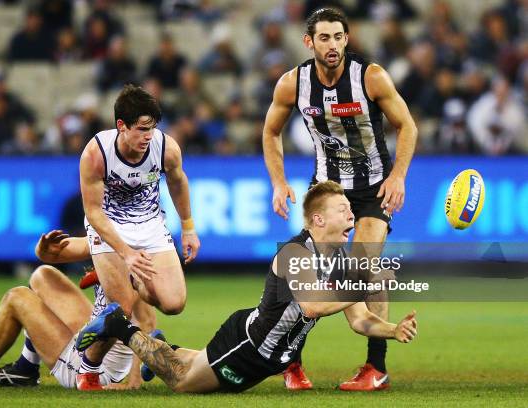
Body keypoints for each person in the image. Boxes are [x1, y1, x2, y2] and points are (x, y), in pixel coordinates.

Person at [74, 181, 418, 394]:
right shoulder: (294, 252)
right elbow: (313, 306)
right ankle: (118, 325)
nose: (351, 218)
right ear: (318, 219)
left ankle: (161, 347)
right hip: (248, 346)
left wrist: (392, 329)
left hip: (267, 358)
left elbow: (358, 319)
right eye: (343, 211)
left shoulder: (338, 260)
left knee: (193, 368)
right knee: (181, 382)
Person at [262, 8, 417, 391]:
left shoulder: (371, 77)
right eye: (325, 38)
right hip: (326, 189)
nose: (332, 45)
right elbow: (270, 132)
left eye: (339, 37)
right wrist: (279, 183)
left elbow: (407, 125)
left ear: (347, 39)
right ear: (309, 42)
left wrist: (398, 176)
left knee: (366, 266)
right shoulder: (292, 83)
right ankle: (291, 363)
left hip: (372, 188)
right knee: (299, 271)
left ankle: (375, 368)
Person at [78, 84, 200, 389]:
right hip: (109, 228)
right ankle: (88, 371)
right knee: (121, 309)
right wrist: (126, 254)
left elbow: (178, 181)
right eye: (142, 129)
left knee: (174, 303)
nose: (149, 135)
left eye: (153, 128)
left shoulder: (165, 147)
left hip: (150, 225)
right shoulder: (96, 154)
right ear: (121, 126)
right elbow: (93, 213)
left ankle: (130, 284)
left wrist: (188, 226)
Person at [0, 245, 133, 388]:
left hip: (93, 367)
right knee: (43, 275)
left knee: (17, 297)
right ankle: (26, 368)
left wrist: (134, 382)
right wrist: (44, 250)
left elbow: (145, 314)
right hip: (99, 340)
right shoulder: (116, 224)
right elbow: (64, 250)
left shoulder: (138, 242)